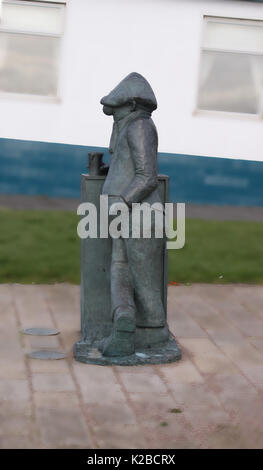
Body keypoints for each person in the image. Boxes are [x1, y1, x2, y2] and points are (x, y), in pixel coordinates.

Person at [99, 72, 168, 357]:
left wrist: (123, 201)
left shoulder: (139, 126)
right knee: (120, 269)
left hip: (140, 215)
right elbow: (127, 166)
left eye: (116, 110)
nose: (113, 116)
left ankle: (151, 336)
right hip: (127, 215)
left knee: (144, 282)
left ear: (130, 105)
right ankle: (123, 328)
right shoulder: (129, 126)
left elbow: (147, 176)